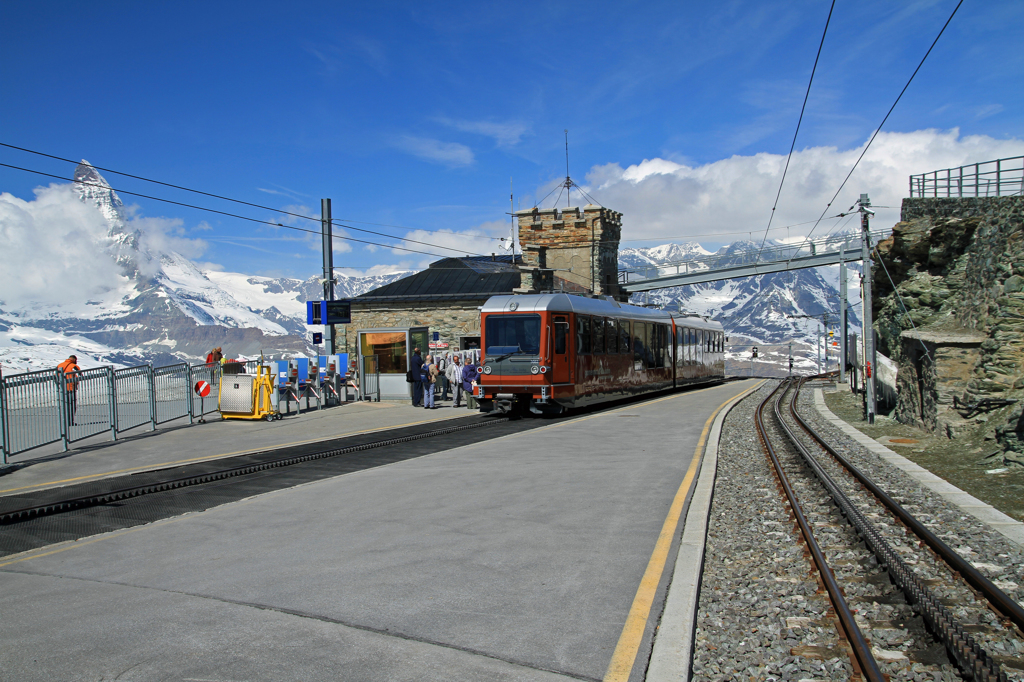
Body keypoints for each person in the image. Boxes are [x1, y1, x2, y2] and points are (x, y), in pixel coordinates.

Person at [57, 354, 82, 426]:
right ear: (74, 360)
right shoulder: (74, 366)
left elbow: (56, 374)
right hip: (71, 387)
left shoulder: (59, 365)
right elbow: (80, 374)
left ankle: (64, 421)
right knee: (72, 405)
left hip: (62, 387)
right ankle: (70, 421)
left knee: (64, 405)